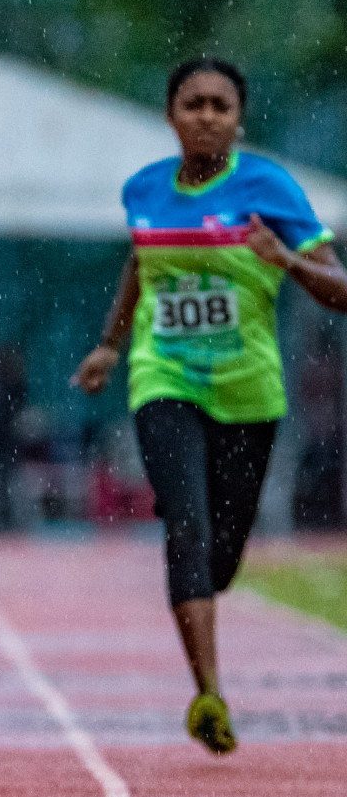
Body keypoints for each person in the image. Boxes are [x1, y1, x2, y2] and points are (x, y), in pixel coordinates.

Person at [72, 58, 347, 755]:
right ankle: (210, 694)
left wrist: (284, 260)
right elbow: (142, 260)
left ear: (238, 118)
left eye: (219, 105)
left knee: (220, 556)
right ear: (171, 115)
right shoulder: (143, 190)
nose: (205, 116)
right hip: (165, 378)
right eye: (192, 104)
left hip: (249, 392)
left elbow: (340, 289)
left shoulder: (268, 188)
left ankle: (200, 572)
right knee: (187, 529)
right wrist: (111, 344)